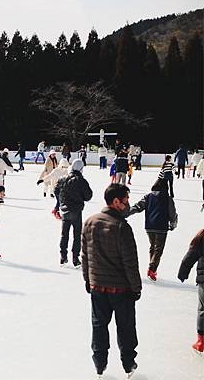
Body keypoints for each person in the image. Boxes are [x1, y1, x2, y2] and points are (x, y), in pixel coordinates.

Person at [81, 183, 141, 379]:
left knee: (99, 326)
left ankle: (99, 363)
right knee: (125, 328)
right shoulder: (122, 227)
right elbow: (130, 263)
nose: (128, 204)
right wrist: (136, 288)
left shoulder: (89, 222)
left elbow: (85, 256)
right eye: (126, 201)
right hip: (121, 290)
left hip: (97, 286)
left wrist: (88, 280)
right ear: (116, 202)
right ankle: (128, 363)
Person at [127, 178, 177, 281]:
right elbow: (172, 214)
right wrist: (173, 224)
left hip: (149, 226)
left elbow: (138, 207)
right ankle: (152, 268)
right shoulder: (167, 198)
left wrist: (127, 212)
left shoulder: (148, 196)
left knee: (152, 247)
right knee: (158, 249)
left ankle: (152, 268)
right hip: (161, 227)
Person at [54, 159, 93, 267]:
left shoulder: (62, 179)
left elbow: (56, 190)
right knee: (77, 235)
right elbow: (88, 196)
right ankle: (75, 259)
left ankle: (63, 257)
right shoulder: (81, 180)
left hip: (65, 211)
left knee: (64, 234)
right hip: (76, 211)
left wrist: (62, 202)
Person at [178, 229, 204, 354]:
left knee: (203, 309)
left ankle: (201, 341)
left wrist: (183, 272)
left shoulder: (202, 236)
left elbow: (190, 256)